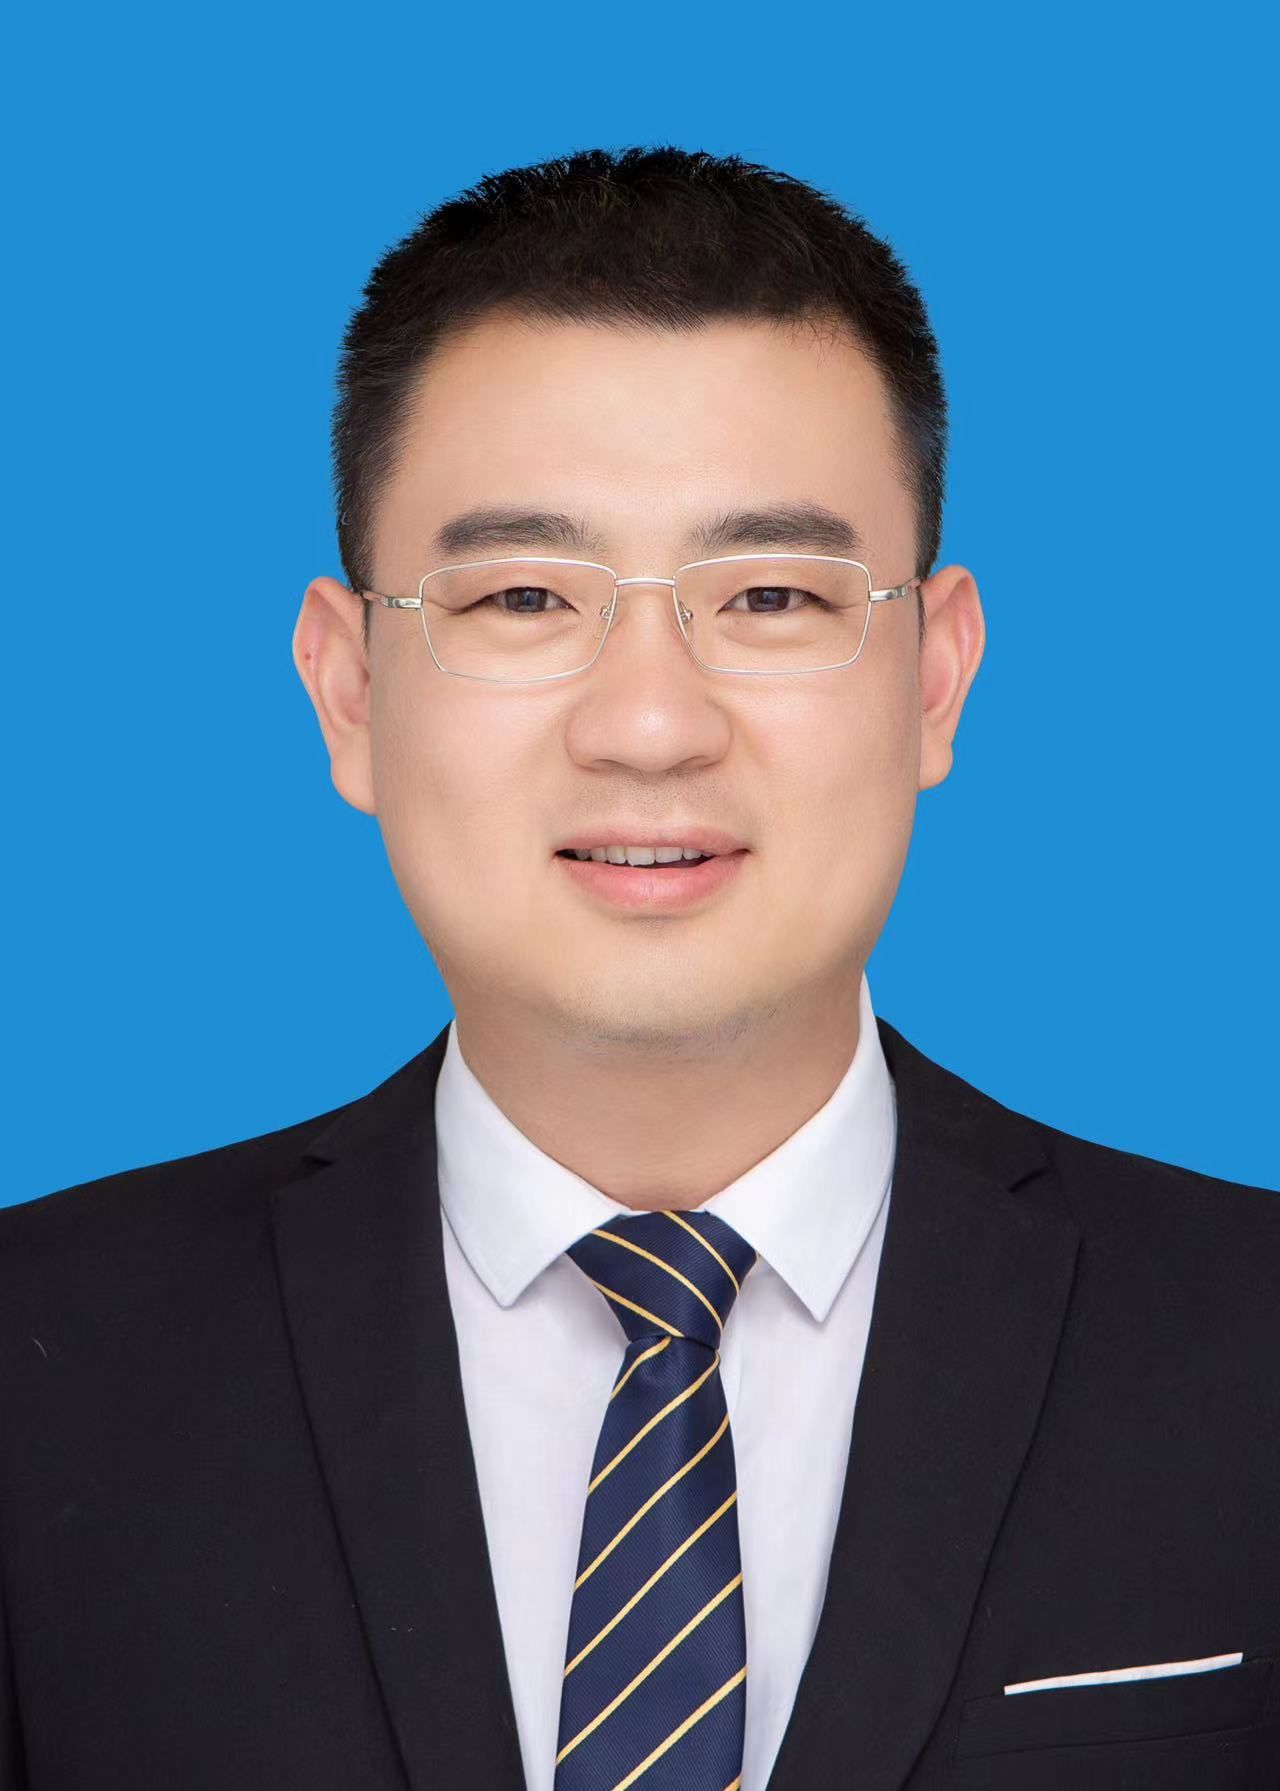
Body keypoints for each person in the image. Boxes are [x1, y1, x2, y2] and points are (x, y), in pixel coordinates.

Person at [1, 146, 1277, 1791]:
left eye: (773, 596)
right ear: (350, 691)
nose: (653, 726)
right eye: (527, 596)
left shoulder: (1247, 1351)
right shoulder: (43, 1368)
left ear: (935, 679)